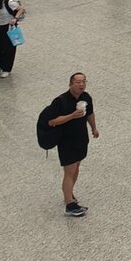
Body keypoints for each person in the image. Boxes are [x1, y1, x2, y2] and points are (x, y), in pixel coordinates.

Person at [41, 71, 98, 217]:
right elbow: (51, 121)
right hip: (66, 141)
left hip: (81, 138)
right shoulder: (60, 101)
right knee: (70, 171)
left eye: (84, 81)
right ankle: (69, 205)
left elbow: (90, 113)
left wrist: (93, 128)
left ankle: (69, 193)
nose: (81, 84)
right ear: (70, 84)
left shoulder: (86, 97)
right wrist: (72, 116)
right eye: (78, 82)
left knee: (76, 168)